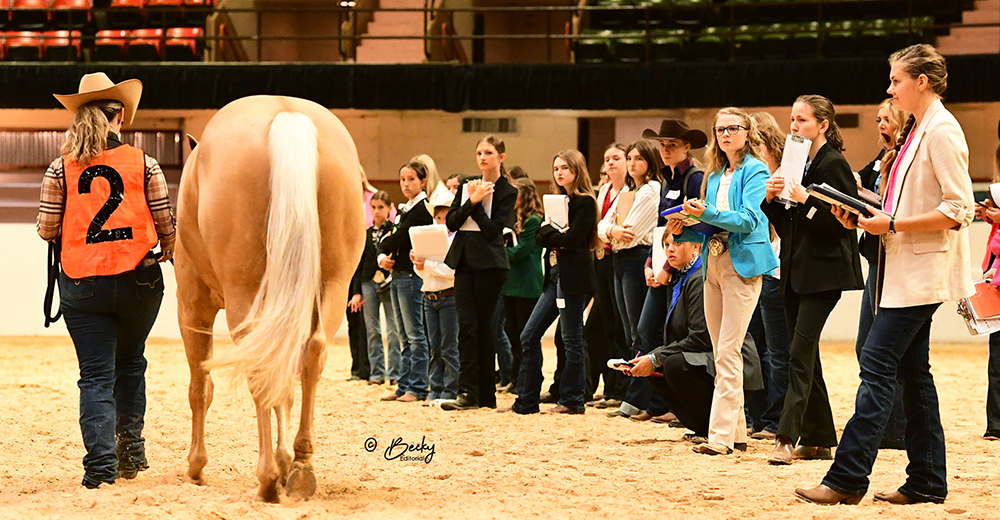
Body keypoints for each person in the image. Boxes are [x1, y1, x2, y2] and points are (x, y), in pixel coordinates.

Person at [798, 44, 974, 505]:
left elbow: (959, 209)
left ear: (922, 81)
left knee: (876, 364)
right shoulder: (917, 130)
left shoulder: (942, 131)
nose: (890, 88)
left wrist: (891, 223)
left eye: (896, 80)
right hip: (904, 266)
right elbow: (904, 206)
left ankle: (847, 478)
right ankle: (927, 481)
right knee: (914, 376)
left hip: (922, 270)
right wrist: (862, 212)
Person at [38, 72, 175, 488]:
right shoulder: (144, 162)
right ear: (119, 118)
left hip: (82, 282)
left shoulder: (60, 168)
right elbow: (166, 226)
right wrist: (164, 247)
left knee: (95, 376)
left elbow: (47, 228)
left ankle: (100, 468)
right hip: (139, 281)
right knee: (131, 362)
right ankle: (130, 450)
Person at [669, 107, 778, 456]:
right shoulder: (714, 175)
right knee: (721, 351)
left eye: (733, 128)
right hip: (711, 263)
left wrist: (708, 213)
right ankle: (738, 432)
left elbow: (749, 220)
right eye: (720, 130)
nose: (726, 135)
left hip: (742, 265)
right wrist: (684, 227)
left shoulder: (756, 170)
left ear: (748, 133)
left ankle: (719, 438)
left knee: (729, 351)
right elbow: (710, 225)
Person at [762, 95, 864, 464]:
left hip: (824, 273)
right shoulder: (797, 162)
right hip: (795, 268)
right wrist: (772, 199)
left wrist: (805, 200)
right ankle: (819, 438)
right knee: (803, 354)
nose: (794, 127)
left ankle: (786, 436)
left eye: (802, 120)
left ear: (822, 125)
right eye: (792, 119)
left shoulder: (833, 164)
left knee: (798, 354)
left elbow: (841, 226)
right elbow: (787, 224)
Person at [624, 233, 761, 442]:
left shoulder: (698, 279)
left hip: (735, 365)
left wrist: (655, 358)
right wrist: (652, 360)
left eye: (677, 243)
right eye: (667, 244)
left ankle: (714, 427)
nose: (670, 249)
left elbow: (701, 338)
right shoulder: (680, 278)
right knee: (654, 368)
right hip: (706, 358)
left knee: (672, 364)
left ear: (696, 246)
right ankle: (702, 427)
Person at [506, 149, 599, 414]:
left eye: (565, 168)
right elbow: (541, 237)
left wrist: (551, 233)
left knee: (571, 340)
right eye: (556, 168)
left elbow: (573, 240)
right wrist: (553, 233)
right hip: (554, 276)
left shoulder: (584, 203)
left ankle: (572, 400)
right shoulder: (558, 201)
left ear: (576, 171)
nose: (559, 173)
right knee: (529, 335)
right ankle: (526, 400)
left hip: (574, 279)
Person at [638, 118, 708, 423]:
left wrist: (666, 265)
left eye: (672, 146)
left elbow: (692, 227)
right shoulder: (666, 180)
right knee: (649, 330)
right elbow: (660, 228)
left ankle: (668, 404)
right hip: (664, 261)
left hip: (684, 264)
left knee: (667, 331)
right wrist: (651, 263)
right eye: (662, 146)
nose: (665, 151)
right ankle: (658, 402)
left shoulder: (695, 178)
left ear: (686, 147)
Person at [441, 135, 518, 411]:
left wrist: (476, 204)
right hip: (463, 263)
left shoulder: (508, 191)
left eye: (488, 152)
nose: (483, 157)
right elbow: (451, 222)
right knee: (467, 328)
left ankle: (485, 395)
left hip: (490, 265)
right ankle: (468, 392)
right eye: (479, 152)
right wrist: (471, 200)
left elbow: (491, 230)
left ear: (501, 157)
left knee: (484, 329)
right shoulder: (467, 185)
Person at [854, 98, 910, 449]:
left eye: (886, 119)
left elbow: (894, 208)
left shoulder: (903, 158)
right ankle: (891, 425)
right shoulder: (881, 159)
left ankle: (895, 427)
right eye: (876, 120)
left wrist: (864, 197)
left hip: (895, 258)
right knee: (867, 345)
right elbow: (859, 181)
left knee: (883, 348)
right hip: (877, 257)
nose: (879, 126)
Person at [598, 140, 662, 419]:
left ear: (649, 162)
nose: (633, 163)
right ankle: (636, 395)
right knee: (628, 330)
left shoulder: (650, 190)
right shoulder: (627, 190)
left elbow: (632, 232)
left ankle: (641, 398)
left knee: (639, 331)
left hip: (638, 258)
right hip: (619, 260)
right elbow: (601, 228)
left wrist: (611, 230)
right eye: (631, 158)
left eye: (638, 159)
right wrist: (613, 229)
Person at [746, 111, 793, 440]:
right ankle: (760, 414)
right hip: (757, 269)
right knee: (757, 347)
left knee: (776, 350)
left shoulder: (782, 173)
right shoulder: (752, 175)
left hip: (775, 270)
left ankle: (777, 417)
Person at [379, 161, 435, 403]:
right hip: (399, 274)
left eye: (411, 179)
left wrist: (387, 244)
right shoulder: (405, 209)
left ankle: (418, 386)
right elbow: (387, 237)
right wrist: (384, 248)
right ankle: (404, 384)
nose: (406, 184)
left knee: (415, 334)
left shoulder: (422, 209)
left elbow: (397, 236)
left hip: (412, 275)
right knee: (404, 334)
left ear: (423, 181)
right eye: (403, 179)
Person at [586, 144, 630, 410]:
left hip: (618, 259)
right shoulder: (603, 190)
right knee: (600, 328)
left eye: (616, 158)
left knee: (618, 325)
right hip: (600, 261)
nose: (611, 163)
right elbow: (599, 228)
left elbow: (619, 229)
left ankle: (619, 389)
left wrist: (607, 231)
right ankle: (609, 388)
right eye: (607, 159)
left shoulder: (629, 191)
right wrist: (606, 232)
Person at [412, 190, 460, 403]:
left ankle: (450, 389)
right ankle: (436, 388)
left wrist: (427, 265)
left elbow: (452, 272)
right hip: (429, 295)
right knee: (435, 346)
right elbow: (422, 274)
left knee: (449, 346)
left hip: (449, 296)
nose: (441, 221)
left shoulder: (457, 240)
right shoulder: (429, 239)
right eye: (438, 217)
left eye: (445, 217)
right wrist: (419, 263)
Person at [500, 177, 545, 394]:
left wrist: (498, 253)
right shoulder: (517, 220)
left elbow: (521, 253)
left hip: (527, 284)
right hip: (512, 285)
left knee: (525, 334)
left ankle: (527, 379)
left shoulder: (534, 221)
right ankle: (516, 378)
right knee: (511, 332)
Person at [359, 190, 401, 386]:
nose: (377, 211)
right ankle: (376, 372)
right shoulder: (365, 234)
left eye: (381, 208)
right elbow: (359, 265)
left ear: (389, 208)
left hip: (389, 281)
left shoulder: (394, 231)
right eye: (373, 207)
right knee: (372, 329)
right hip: (368, 282)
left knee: (393, 329)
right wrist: (356, 292)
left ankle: (394, 372)